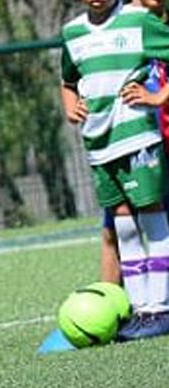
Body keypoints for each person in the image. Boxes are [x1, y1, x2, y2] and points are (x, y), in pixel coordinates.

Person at [62, 0, 169, 340]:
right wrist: (70, 107)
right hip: (99, 145)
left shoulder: (138, 21)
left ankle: (161, 308)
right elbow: (68, 80)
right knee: (122, 224)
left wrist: (158, 97)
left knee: (151, 215)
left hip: (137, 139)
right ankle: (139, 311)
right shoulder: (72, 32)